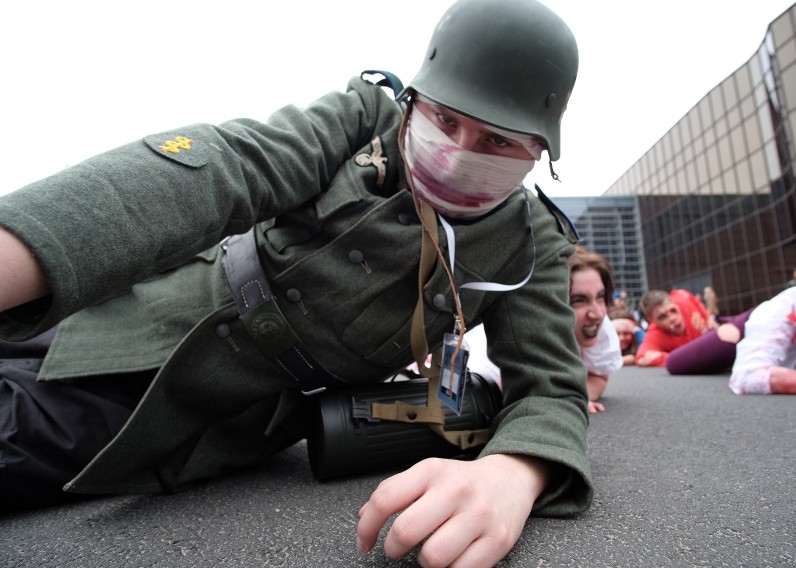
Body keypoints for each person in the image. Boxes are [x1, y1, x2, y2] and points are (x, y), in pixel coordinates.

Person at [0, 1, 589, 565]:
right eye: (446, 118)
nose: (458, 154)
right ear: (416, 100)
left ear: (540, 150)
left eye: (497, 141)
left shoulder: (530, 243)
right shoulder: (364, 119)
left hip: (209, 402)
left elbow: (552, 389)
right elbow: (228, 167)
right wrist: (26, 244)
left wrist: (513, 473)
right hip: (144, 306)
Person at [663, 238, 796, 393]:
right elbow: (749, 377)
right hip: (752, 327)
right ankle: (727, 329)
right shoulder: (795, 307)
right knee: (677, 363)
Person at [466, 246, 622, 414]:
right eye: (579, 300)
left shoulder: (600, 324)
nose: (597, 313)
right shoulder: (509, 338)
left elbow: (599, 377)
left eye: (600, 296)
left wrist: (571, 397)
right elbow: (487, 397)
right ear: (547, 303)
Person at [635, 289, 717, 367]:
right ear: (652, 320)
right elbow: (642, 358)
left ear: (674, 304)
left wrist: (708, 318)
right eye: (663, 317)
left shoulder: (682, 298)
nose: (672, 318)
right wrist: (683, 359)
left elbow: (694, 300)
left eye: (673, 310)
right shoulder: (655, 333)